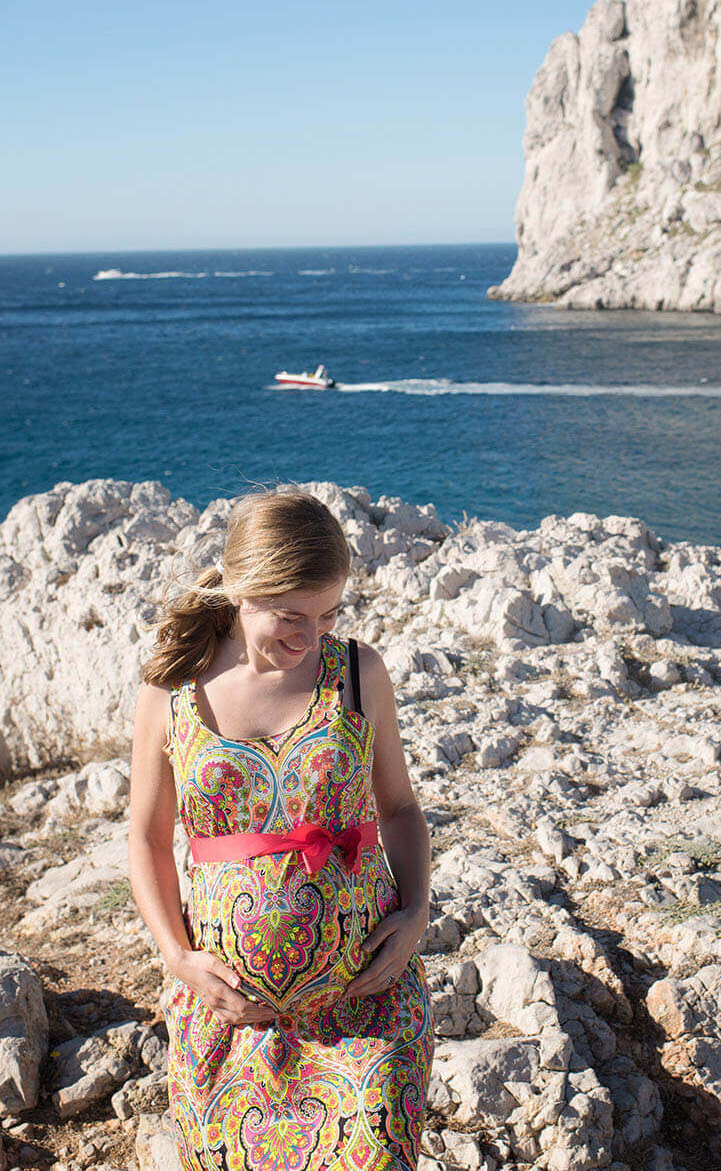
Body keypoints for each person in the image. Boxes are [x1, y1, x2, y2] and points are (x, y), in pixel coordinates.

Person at [128, 488, 434, 1170]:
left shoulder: (358, 672)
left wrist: (415, 913)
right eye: (291, 614)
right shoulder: (170, 693)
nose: (311, 634)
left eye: (329, 613)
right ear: (239, 589)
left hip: (366, 1010)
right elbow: (147, 841)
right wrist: (178, 959)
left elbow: (401, 809)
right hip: (229, 1022)